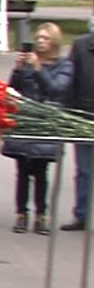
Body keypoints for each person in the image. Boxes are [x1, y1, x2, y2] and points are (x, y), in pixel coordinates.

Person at [5, 23, 73, 234]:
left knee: (41, 171)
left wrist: (38, 69)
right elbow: (13, 91)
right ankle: (21, 214)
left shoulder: (64, 65)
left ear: (54, 42)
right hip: (26, 119)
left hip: (46, 121)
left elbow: (56, 90)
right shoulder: (28, 63)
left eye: (46, 38)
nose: (41, 42)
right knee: (22, 170)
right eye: (39, 38)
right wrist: (17, 70)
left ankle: (41, 215)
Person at [63, 29, 94, 231]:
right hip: (84, 117)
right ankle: (82, 215)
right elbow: (70, 82)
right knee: (84, 170)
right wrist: (69, 115)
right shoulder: (81, 45)